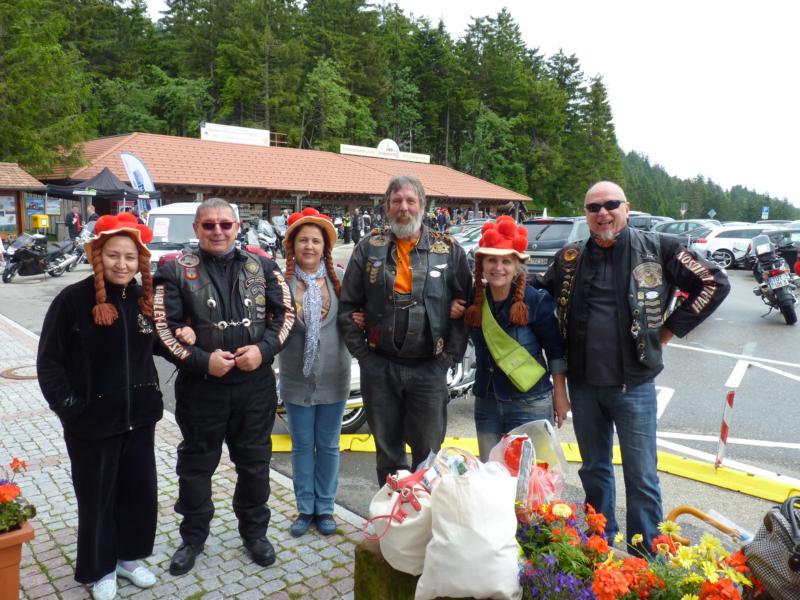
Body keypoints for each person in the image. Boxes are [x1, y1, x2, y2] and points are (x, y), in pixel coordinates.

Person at [534, 181, 730, 548]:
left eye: (610, 204)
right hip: (584, 385)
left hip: (634, 384)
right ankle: (600, 543)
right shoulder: (569, 257)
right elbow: (537, 294)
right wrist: (491, 282)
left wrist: (668, 331)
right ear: (585, 214)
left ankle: (645, 555)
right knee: (594, 470)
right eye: (593, 207)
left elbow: (713, 283)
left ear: (627, 208)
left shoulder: (661, 247)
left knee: (641, 476)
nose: (602, 213)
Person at [153, 197, 295, 575]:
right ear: (196, 229)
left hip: (255, 386)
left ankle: (255, 533)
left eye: (225, 224)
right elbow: (162, 329)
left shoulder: (263, 265)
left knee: (255, 465)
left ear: (237, 227)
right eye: (209, 225)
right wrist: (203, 361)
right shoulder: (173, 270)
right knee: (196, 466)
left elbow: (286, 315)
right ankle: (193, 538)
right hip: (201, 389)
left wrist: (263, 351)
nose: (218, 231)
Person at [37, 213, 163, 600]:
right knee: (97, 499)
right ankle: (100, 568)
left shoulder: (143, 300)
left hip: (139, 419)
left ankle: (128, 558)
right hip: (92, 424)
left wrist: (191, 338)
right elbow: (49, 363)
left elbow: (159, 344)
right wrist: (72, 409)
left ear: (140, 260)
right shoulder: (72, 300)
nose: (122, 264)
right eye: (113, 255)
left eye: (130, 257)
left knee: (138, 493)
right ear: (98, 255)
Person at [338, 175, 471, 485]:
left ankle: (424, 513)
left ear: (423, 206)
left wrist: (447, 360)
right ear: (386, 207)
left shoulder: (448, 250)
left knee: (428, 455)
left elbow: (466, 309)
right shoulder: (367, 248)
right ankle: (392, 512)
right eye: (396, 201)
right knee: (388, 455)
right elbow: (347, 308)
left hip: (429, 368)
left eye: (411, 201)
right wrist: (365, 358)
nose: (404, 208)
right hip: (379, 367)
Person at [462, 216, 568, 460]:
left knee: (530, 476)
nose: (498, 267)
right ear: (481, 264)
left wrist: (560, 395)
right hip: (487, 402)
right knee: (491, 473)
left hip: (530, 402)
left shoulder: (536, 300)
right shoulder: (474, 300)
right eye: (491, 260)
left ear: (517, 266)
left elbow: (555, 351)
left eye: (506, 261)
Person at [278, 208, 351, 537]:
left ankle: (326, 507)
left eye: (315, 241)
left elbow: (358, 315)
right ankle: (305, 507)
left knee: (329, 445)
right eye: (303, 240)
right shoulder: (280, 283)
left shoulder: (339, 281)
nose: (309, 246)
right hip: (296, 377)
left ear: (325, 247)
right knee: (302, 446)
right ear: (292, 246)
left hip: (334, 375)